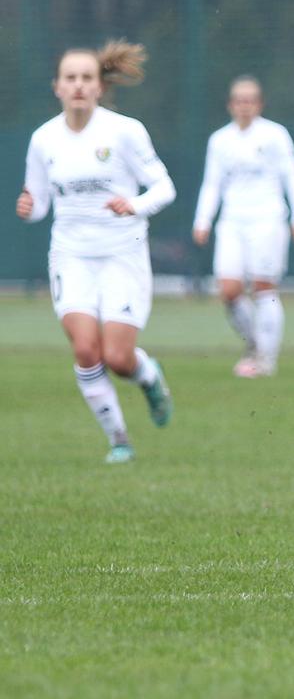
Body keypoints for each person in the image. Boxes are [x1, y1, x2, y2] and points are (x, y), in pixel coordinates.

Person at [16, 41, 177, 464]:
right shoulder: (43, 139)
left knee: (118, 359)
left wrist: (134, 205)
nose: (78, 85)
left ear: (99, 87)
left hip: (123, 253)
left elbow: (164, 188)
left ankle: (148, 377)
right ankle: (119, 440)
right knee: (86, 350)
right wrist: (30, 208)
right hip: (71, 256)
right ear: (57, 87)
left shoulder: (124, 131)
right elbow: (40, 204)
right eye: (70, 78)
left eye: (86, 78)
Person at [192, 76, 294, 377]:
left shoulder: (275, 135)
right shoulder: (220, 140)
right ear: (230, 105)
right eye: (239, 101)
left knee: (263, 286)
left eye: (250, 100)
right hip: (232, 221)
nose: (244, 106)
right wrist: (202, 220)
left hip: (267, 218)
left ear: (259, 104)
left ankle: (266, 359)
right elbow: (212, 183)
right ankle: (255, 344)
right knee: (228, 289)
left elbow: (292, 175)